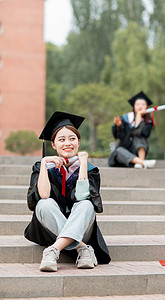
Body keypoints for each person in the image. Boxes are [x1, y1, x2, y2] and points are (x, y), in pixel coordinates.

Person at [24, 111, 111, 272]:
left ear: (78, 142)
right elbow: (43, 195)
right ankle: (83, 249)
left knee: (86, 204)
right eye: (61, 139)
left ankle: (53, 250)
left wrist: (83, 164)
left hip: (82, 227)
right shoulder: (42, 166)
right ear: (53, 144)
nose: (67, 143)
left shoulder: (90, 170)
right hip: (49, 228)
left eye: (72, 139)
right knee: (44, 204)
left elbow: (82, 197)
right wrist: (44, 164)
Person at [109, 91, 156, 169]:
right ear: (133, 106)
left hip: (136, 151)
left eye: (143, 104)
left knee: (139, 138)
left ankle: (140, 162)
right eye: (138, 104)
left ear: (146, 107)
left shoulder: (148, 122)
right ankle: (143, 163)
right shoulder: (125, 118)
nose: (140, 106)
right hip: (124, 154)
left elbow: (143, 134)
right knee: (118, 150)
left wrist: (139, 117)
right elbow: (119, 136)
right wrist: (119, 126)